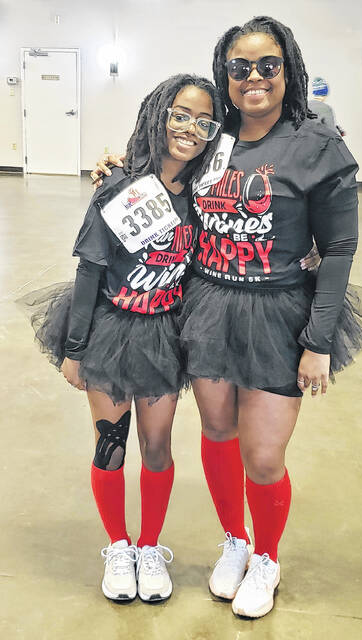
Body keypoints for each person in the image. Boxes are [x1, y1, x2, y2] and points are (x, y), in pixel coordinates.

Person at [90, 17, 362, 619]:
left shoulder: (316, 144)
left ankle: (267, 556)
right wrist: (120, 168)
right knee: (218, 434)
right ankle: (235, 540)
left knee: (263, 454)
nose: (253, 77)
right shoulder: (215, 135)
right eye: (239, 67)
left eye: (268, 65)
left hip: (279, 312)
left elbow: (337, 249)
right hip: (205, 304)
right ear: (224, 72)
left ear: (288, 69)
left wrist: (320, 339)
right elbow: (167, 161)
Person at [19, 74, 224, 604]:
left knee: (157, 446)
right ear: (158, 114)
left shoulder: (202, 195)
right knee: (111, 445)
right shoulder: (119, 184)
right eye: (180, 114)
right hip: (111, 328)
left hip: (164, 333)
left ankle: (150, 547)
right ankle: (118, 546)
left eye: (204, 121)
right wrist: (75, 347)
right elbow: (90, 268)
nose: (190, 129)